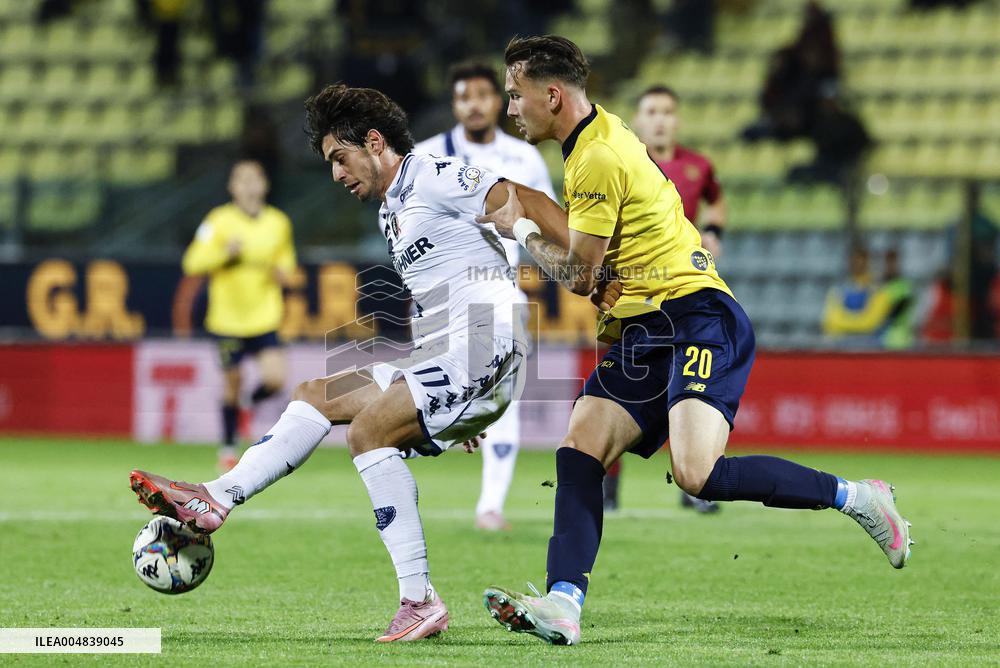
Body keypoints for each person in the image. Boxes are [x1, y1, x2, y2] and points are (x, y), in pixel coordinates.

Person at [131, 83, 617, 642]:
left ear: (375, 142)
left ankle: (420, 600)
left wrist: (586, 266)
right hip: (452, 353)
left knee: (369, 432)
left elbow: (523, 201)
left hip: (486, 339)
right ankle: (216, 497)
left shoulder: (430, 175)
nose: (336, 175)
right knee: (319, 394)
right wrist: (448, 402)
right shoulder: (392, 209)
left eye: (340, 158)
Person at [477, 35, 913, 646]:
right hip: (648, 325)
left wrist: (519, 224)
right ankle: (562, 603)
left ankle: (858, 497)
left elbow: (578, 276)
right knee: (580, 448)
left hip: (696, 313)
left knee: (695, 473)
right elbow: (592, 256)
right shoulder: (595, 138)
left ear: (552, 95)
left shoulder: (596, 158)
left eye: (516, 95)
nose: (511, 108)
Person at [414, 59, 557, 531]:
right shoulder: (429, 155)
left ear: (497, 101)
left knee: (503, 396)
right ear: (454, 105)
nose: (473, 104)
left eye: (481, 94)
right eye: (463, 96)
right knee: (436, 398)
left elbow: (549, 218)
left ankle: (490, 505)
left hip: (499, 291)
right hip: (441, 296)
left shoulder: (523, 158)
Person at [602, 84, 728, 514]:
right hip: (632, 293)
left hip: (684, 292)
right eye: (651, 111)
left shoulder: (697, 166)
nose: (659, 119)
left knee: (691, 386)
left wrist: (714, 234)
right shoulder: (622, 165)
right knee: (617, 387)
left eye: (667, 111)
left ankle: (695, 484)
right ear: (637, 120)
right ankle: (608, 486)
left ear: (677, 119)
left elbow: (716, 199)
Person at [181, 160, 296, 472]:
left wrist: (285, 275)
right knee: (232, 384)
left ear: (264, 184)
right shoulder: (218, 221)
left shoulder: (278, 222)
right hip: (227, 320)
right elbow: (192, 263)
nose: (247, 185)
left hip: (264, 316)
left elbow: (287, 263)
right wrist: (223, 254)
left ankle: (249, 404)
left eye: (253, 179)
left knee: (275, 379)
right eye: (240, 180)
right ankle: (228, 447)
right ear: (232, 187)